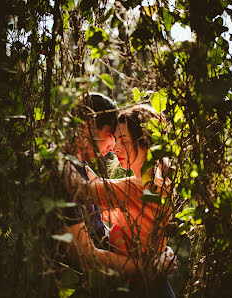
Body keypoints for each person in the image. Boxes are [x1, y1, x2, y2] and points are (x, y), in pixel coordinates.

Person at [59, 94, 176, 280]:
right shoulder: (156, 184)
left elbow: (84, 189)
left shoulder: (141, 188)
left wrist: (55, 154)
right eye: (114, 137)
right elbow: (100, 189)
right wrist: (162, 254)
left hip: (144, 286)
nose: (115, 147)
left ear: (145, 143)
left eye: (123, 139)